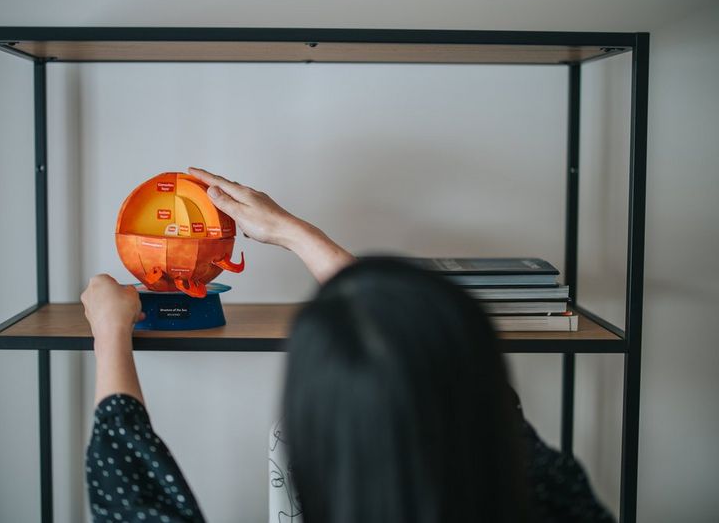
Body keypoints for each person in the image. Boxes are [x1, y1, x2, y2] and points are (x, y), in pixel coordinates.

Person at [82, 168, 615, 523]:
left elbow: (130, 492)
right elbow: (440, 368)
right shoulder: (551, 493)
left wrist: (110, 331)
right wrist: (292, 232)